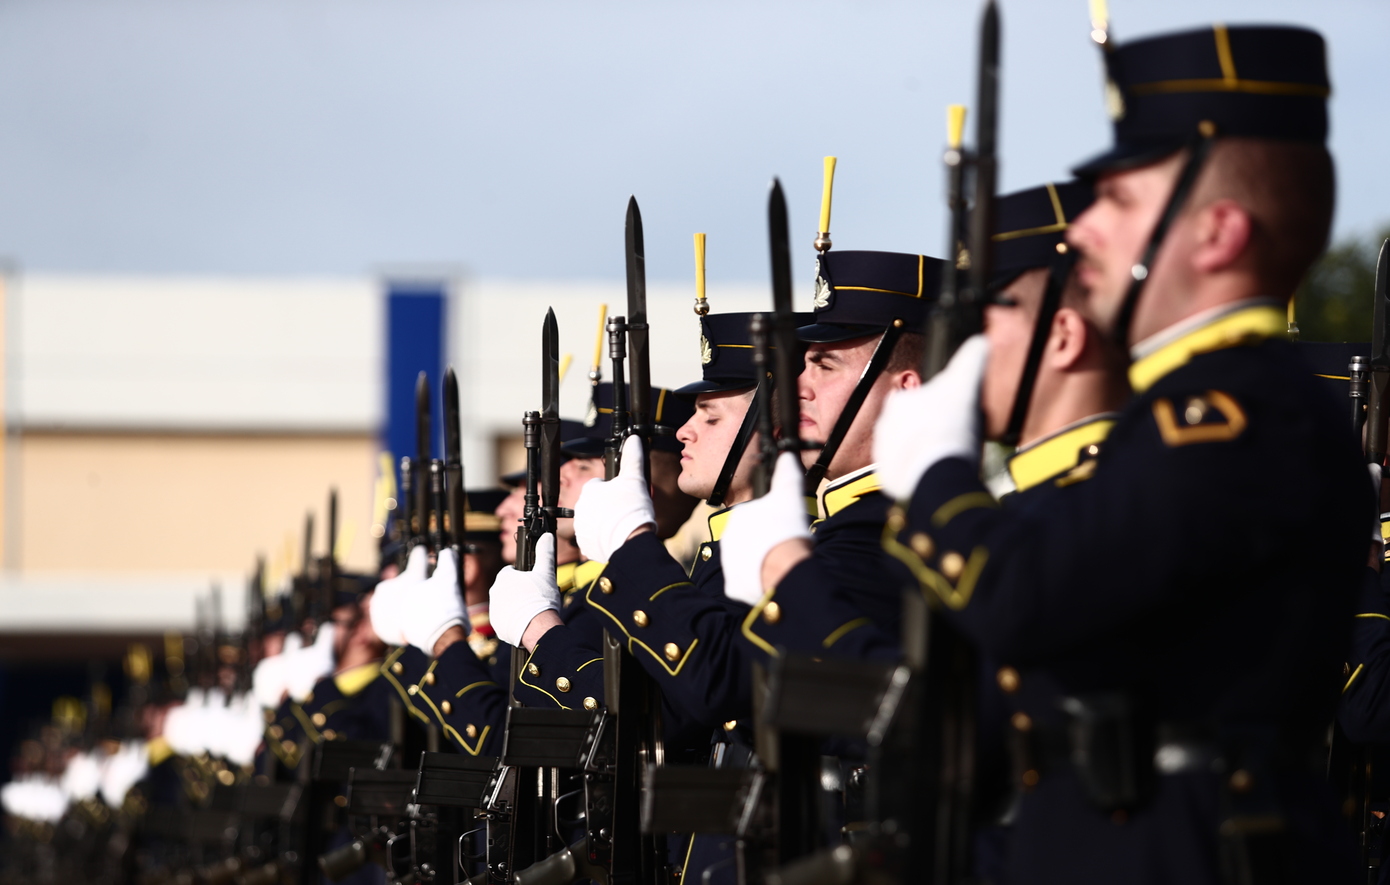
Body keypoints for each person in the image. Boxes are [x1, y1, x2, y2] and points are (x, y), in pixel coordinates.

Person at [855, 23, 1364, 884]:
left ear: (1218, 234)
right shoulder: (1178, 417)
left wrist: (934, 479)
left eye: (1119, 201)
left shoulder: (1238, 414)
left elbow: (1029, 593)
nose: (1082, 229)